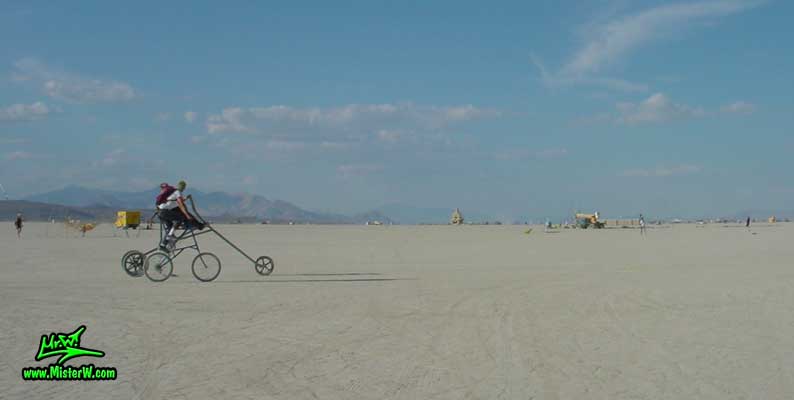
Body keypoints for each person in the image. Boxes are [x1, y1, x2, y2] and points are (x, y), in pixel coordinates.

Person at [156, 180, 203, 251]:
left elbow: (175, 201)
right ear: (183, 187)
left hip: (160, 212)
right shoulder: (177, 192)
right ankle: (170, 237)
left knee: (170, 228)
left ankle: (163, 245)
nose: (183, 188)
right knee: (179, 218)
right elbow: (180, 204)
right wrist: (187, 215)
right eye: (183, 187)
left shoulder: (173, 193)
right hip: (164, 212)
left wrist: (186, 198)